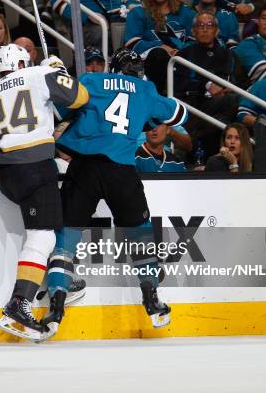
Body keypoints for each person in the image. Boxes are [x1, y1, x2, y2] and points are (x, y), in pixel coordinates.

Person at [44, 49, 187, 340]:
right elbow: (178, 113)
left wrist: (57, 76)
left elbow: (59, 111)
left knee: (66, 235)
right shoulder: (145, 89)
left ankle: (56, 307)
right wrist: (145, 113)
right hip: (121, 168)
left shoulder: (92, 81)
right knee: (140, 232)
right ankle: (152, 301)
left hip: (84, 166)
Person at [0, 44, 89, 341]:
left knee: (46, 228)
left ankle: (55, 280)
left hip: (6, 174)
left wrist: (2, 139)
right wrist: (58, 71)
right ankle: (20, 302)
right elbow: (81, 97)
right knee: (43, 234)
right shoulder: (38, 74)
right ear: (23, 63)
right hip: (36, 165)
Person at [174, 12, 240, 161]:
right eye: (200, 25)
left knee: (232, 102)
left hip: (216, 103)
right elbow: (177, 85)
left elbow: (232, 80)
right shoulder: (184, 54)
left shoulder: (227, 54)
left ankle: (195, 139)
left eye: (209, 25)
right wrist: (207, 85)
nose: (204, 29)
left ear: (217, 31)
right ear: (193, 31)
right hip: (191, 104)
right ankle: (197, 142)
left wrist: (225, 87)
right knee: (223, 121)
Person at [124, 0, 196, 93]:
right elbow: (131, 43)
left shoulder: (187, 13)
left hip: (181, 61)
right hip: (149, 63)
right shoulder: (138, 12)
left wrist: (181, 52)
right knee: (159, 54)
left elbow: (194, 41)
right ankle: (156, 97)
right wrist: (159, 46)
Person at [51, 0, 140, 49]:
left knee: (139, 25)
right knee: (98, 31)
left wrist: (133, 8)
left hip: (120, 16)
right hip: (89, 20)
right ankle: (98, 68)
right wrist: (86, 14)